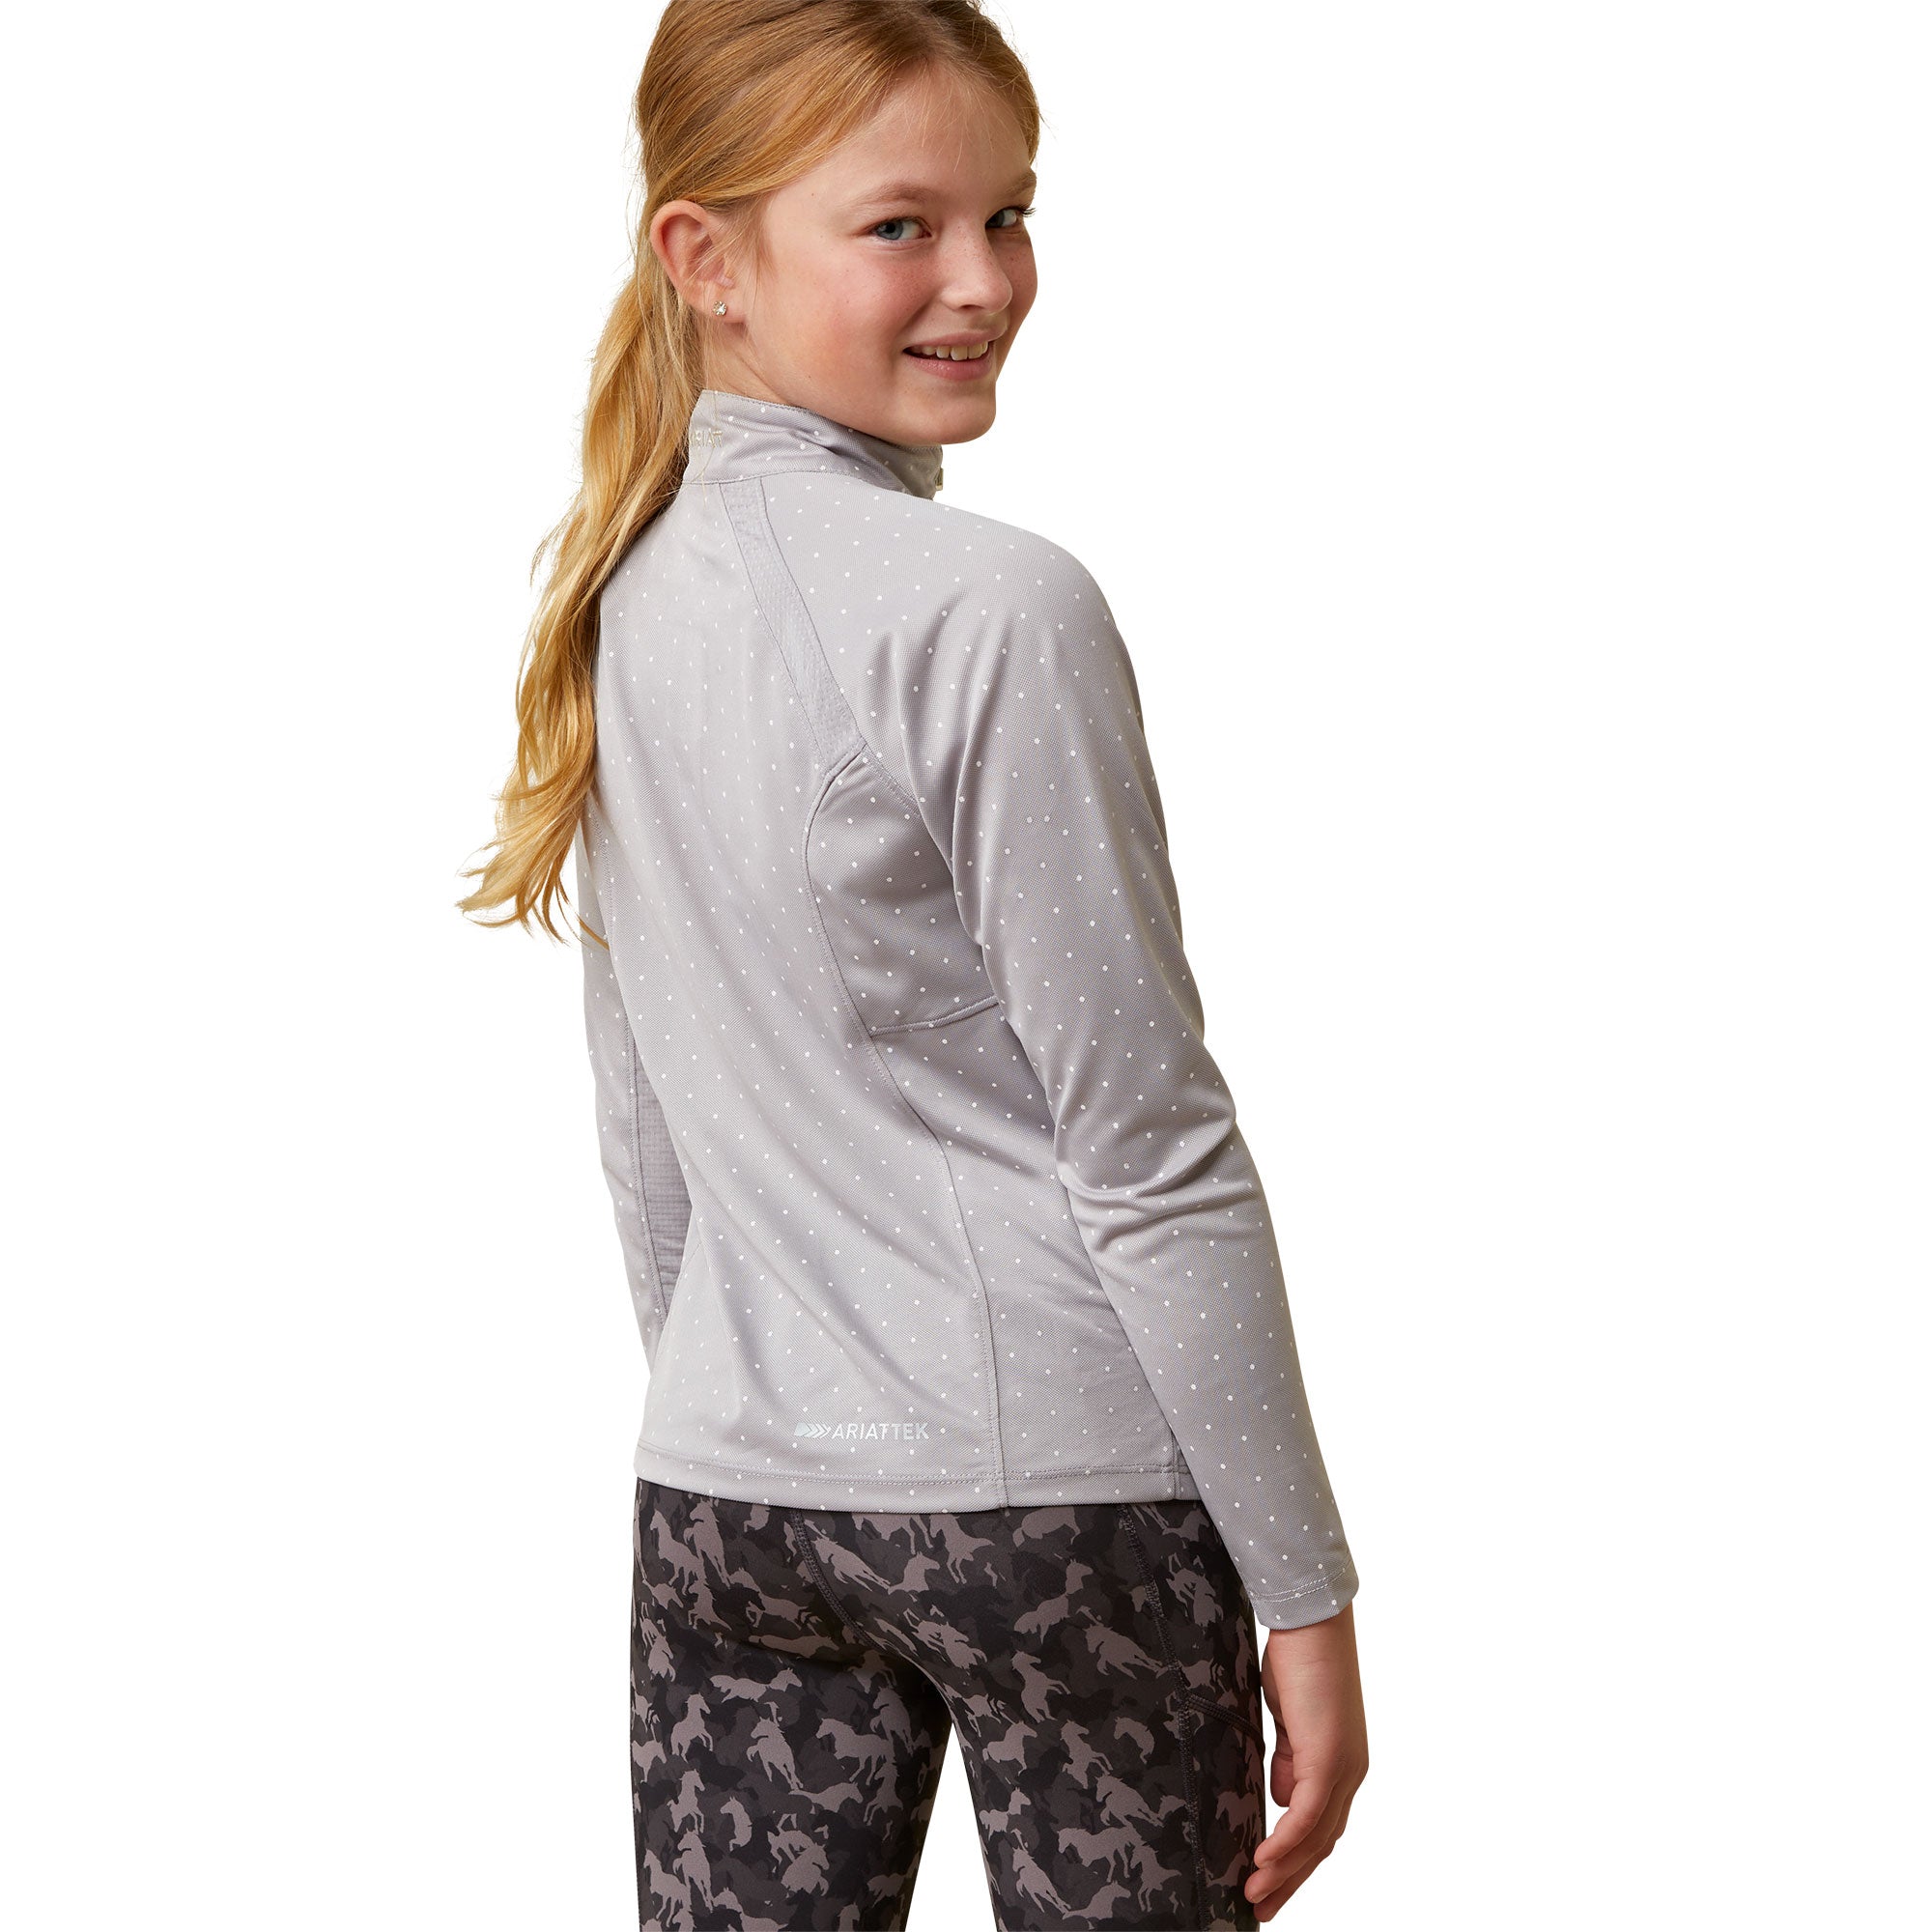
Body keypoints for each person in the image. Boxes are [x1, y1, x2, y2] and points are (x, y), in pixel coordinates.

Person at [462, 2, 1370, 1925]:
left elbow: (649, 1130)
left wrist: (762, 1407)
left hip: (729, 1508)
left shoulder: (615, 599)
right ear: (704, 258)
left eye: (1009, 214)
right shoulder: (994, 607)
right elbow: (1149, 1142)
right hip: (1066, 1504)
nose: (984, 281)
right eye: (902, 227)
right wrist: (1303, 1585)